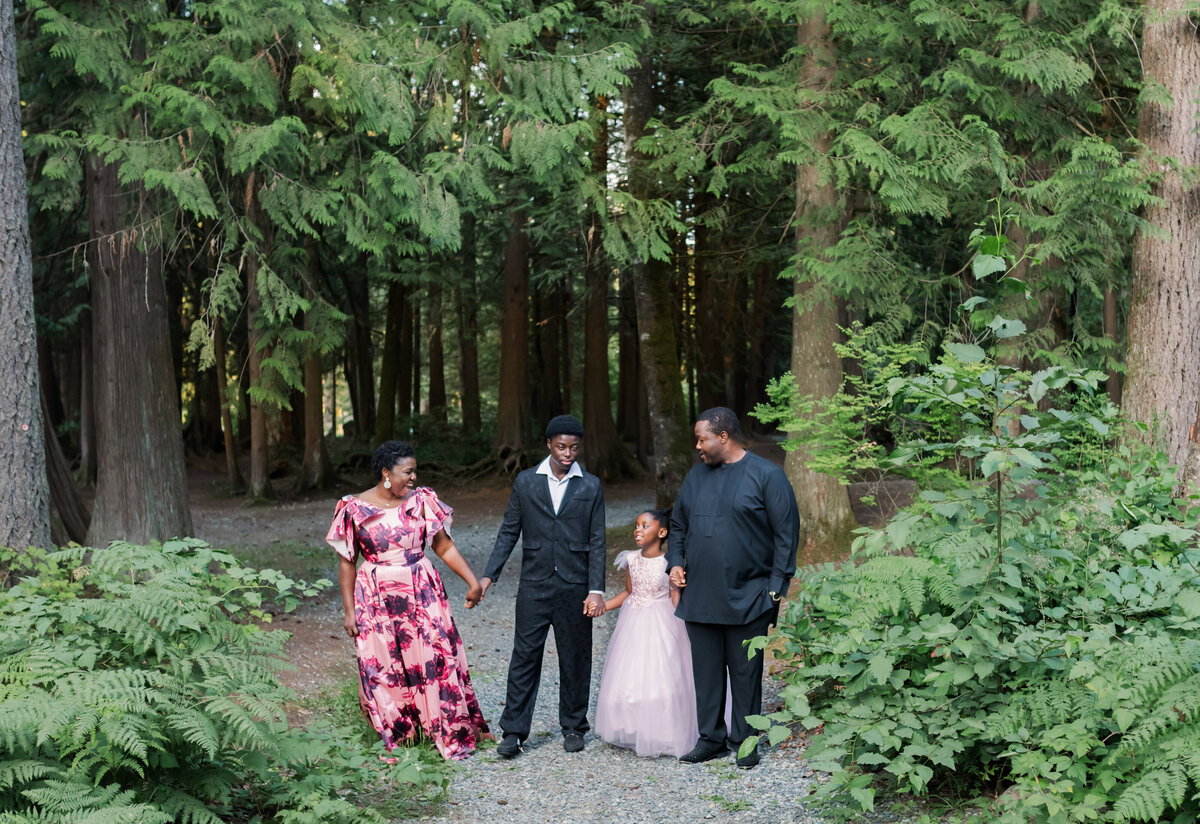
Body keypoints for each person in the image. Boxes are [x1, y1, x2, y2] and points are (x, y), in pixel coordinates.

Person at [325, 440, 491, 761]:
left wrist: (472, 582)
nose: (413, 477)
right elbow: (347, 561)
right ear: (386, 473)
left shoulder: (423, 501)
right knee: (383, 665)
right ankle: (403, 734)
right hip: (375, 595)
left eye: (415, 471)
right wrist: (349, 611)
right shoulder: (354, 509)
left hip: (421, 587)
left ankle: (442, 728)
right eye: (407, 471)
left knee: (434, 657)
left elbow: (443, 547)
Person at [667, 407, 800, 769]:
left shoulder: (767, 476)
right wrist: (675, 564)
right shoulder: (695, 478)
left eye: (702, 439)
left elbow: (786, 535)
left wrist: (775, 589)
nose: (698, 446)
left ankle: (744, 742)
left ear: (723, 437)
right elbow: (677, 526)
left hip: (750, 597)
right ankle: (710, 739)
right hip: (700, 596)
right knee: (706, 675)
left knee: (745, 675)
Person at [479, 414, 607, 757]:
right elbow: (509, 530)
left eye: (575, 447)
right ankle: (514, 732)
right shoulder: (526, 482)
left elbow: (597, 540)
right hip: (534, 584)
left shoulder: (590, 485)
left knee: (576, 656)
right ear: (549, 445)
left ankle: (574, 726)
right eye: (562, 446)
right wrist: (489, 574)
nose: (568, 453)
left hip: (575, 584)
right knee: (525, 656)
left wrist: (596, 588)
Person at [594, 507, 699, 757]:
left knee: (663, 674)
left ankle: (664, 730)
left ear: (662, 532)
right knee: (629, 674)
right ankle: (633, 727)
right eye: (637, 525)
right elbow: (629, 592)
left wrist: (685, 627)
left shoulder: (669, 562)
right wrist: (603, 606)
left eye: (645, 526)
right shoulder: (631, 559)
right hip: (633, 622)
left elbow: (675, 596)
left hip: (663, 621)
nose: (638, 530)